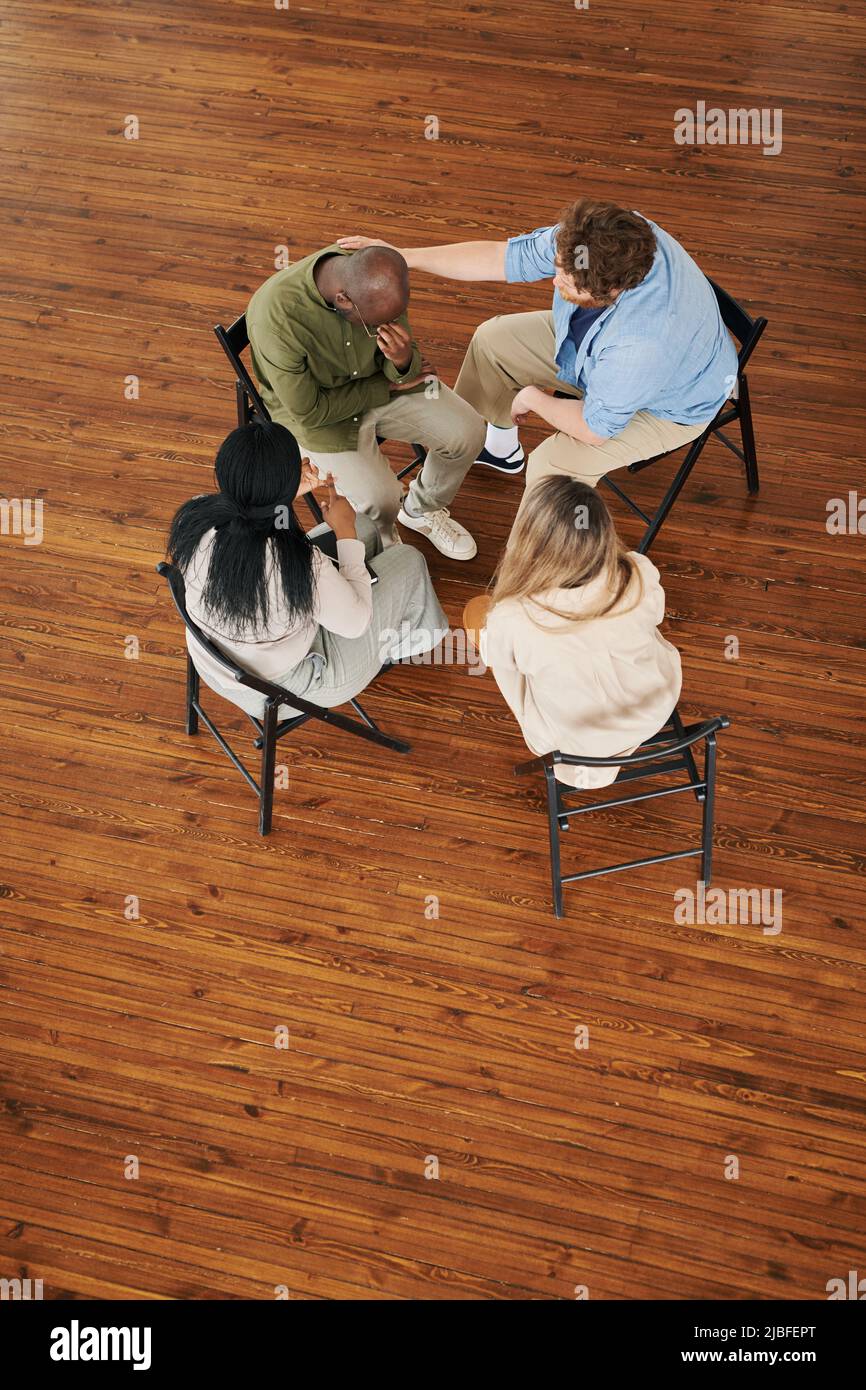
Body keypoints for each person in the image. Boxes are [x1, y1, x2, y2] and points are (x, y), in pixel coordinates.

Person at [338, 198, 738, 507]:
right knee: (493, 341)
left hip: (665, 404)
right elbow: (501, 257)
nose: (553, 277)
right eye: (559, 265)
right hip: (598, 356)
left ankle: (533, 578)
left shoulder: (641, 343)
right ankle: (498, 449)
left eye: (566, 278)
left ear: (607, 292)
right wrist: (402, 257)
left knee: (551, 469)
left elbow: (595, 430)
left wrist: (532, 398)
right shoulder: (603, 237)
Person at [167, 421, 449, 720]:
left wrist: (282, 497)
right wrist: (344, 531)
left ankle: (391, 617)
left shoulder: (194, 518)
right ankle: (411, 639)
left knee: (365, 529)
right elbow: (355, 624)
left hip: (219, 663)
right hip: (287, 689)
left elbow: (255, 528)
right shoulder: (298, 565)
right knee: (409, 559)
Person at [245, 242, 485, 559]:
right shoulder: (276, 320)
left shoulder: (378, 276)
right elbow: (310, 412)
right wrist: (386, 385)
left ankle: (420, 510)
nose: (383, 326)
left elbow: (404, 366)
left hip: (379, 384)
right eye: (373, 324)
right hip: (321, 416)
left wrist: (401, 361)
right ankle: (386, 545)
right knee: (382, 497)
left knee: (467, 431)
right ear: (343, 300)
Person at [462, 477, 682, 788]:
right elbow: (656, 615)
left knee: (480, 615)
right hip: (654, 705)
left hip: (577, 744)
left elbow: (495, 656)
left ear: (531, 542)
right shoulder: (636, 571)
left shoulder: (515, 615)